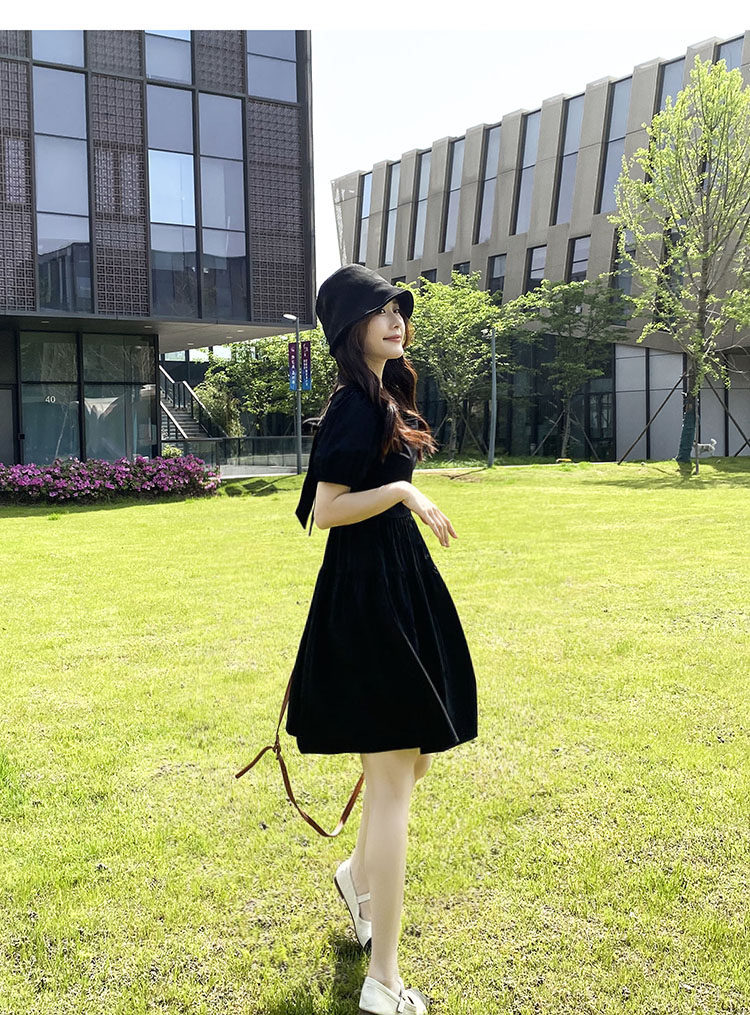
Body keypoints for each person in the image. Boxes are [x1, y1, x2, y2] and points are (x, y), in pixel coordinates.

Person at [287, 264, 478, 1015]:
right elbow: (328, 509)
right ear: (349, 327)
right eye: (380, 310)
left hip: (395, 584)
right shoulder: (353, 405)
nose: (397, 319)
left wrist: (402, 494)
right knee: (396, 776)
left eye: (399, 308)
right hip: (368, 597)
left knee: (413, 760)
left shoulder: (383, 393)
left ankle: (355, 878)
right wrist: (403, 490)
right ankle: (384, 978)